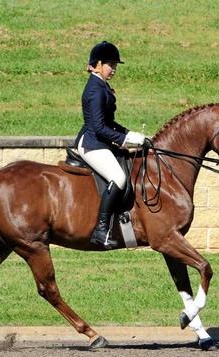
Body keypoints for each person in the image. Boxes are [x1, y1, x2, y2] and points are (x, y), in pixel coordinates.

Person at [73, 41, 146, 249]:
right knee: (119, 177)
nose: (113, 69)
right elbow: (98, 127)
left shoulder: (101, 86)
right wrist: (124, 140)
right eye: (110, 65)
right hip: (92, 143)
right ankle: (101, 229)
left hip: (100, 140)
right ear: (97, 64)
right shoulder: (95, 90)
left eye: (115, 65)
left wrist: (131, 134)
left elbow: (109, 123)